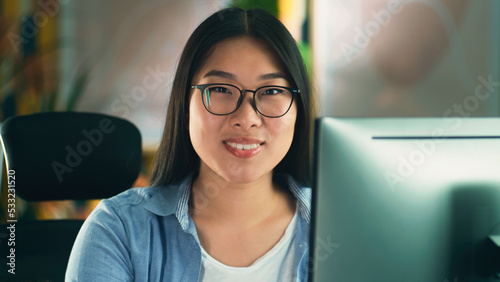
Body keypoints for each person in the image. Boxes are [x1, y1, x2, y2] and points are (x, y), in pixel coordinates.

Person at [66, 7, 315, 281]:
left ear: (298, 110)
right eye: (220, 89)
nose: (246, 118)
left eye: (271, 91)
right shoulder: (119, 230)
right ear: (185, 106)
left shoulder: (344, 226)